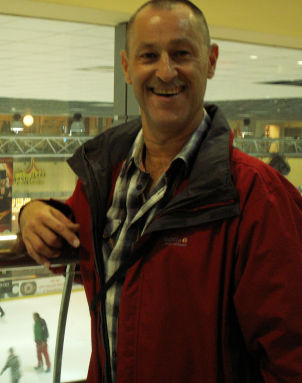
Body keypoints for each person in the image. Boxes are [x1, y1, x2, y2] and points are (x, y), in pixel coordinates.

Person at [17, 1, 302, 382]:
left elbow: (291, 357)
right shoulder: (106, 177)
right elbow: (72, 236)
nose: (166, 72)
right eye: (149, 55)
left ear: (211, 61)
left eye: (182, 53)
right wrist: (31, 212)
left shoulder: (258, 196)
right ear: (127, 67)